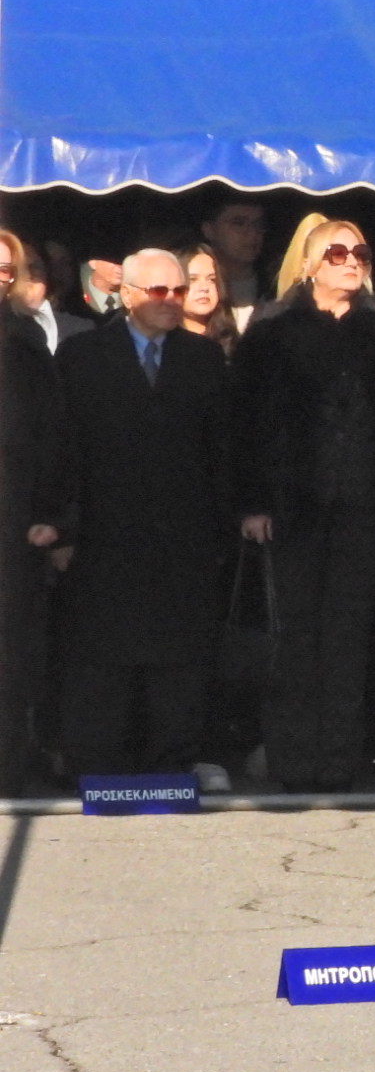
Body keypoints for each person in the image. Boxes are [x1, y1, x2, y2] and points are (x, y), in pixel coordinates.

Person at [232, 221, 375, 791]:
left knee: (350, 635)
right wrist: (252, 502)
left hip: (366, 507)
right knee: (295, 638)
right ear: (310, 264)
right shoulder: (272, 333)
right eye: (337, 252)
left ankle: (340, 761)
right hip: (291, 508)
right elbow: (246, 425)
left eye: (360, 253)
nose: (350, 262)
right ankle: (292, 761)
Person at [53, 250, 233, 779]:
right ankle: (100, 766)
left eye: (178, 291)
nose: (172, 300)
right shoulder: (81, 355)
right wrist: (63, 526)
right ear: (127, 294)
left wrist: (221, 528)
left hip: (183, 538)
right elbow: (65, 449)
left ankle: (170, 767)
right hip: (103, 536)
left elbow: (221, 450)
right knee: (101, 658)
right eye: (159, 291)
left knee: (178, 662)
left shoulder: (202, 358)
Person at [0, 236, 64, 793]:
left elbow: (51, 438)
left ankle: (9, 766)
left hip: (12, 515)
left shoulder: (25, 341)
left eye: (6, 267)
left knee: (11, 651)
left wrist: (50, 512)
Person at [7, 236, 95, 355]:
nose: (27, 275)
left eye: (34, 267)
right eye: (19, 268)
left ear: (46, 273)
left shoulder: (81, 330)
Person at [196, 194, 269, 329]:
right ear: (209, 230)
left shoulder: (278, 289)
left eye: (259, 224)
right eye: (239, 223)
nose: (253, 233)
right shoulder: (196, 290)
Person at [180, 251, 238, 356]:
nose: (204, 288)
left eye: (211, 280)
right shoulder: (162, 343)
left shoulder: (233, 344)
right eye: (192, 280)